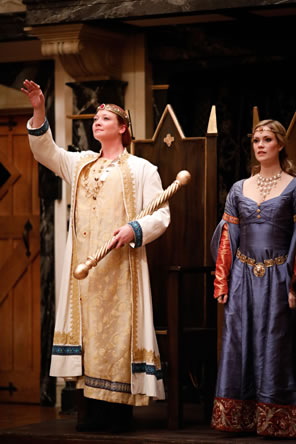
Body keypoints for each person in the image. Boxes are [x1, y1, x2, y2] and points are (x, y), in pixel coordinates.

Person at [21, 79, 170, 433]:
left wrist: (134, 229)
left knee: (117, 336)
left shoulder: (142, 169)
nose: (97, 121)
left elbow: (160, 215)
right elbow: (46, 152)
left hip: (121, 269)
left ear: (123, 128)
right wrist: (39, 108)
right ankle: (89, 413)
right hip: (86, 271)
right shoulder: (82, 164)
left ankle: (117, 415)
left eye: (106, 117)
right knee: (88, 337)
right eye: (95, 117)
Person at [211, 119, 296, 438]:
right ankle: (239, 417)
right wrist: (222, 281)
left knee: (275, 342)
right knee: (239, 341)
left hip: (277, 275)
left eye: (267, 139)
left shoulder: (293, 186)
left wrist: (293, 283)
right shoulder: (238, 188)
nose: (260, 144)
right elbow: (227, 238)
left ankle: (274, 419)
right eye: (256, 140)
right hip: (243, 277)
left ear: (280, 144)